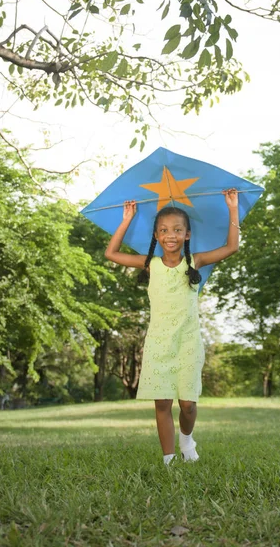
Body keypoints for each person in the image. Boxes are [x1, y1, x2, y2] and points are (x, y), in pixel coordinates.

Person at [104, 189, 240, 465]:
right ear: (156, 236)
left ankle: (187, 439)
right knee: (162, 403)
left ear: (187, 235)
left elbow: (231, 247)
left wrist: (233, 208)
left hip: (188, 342)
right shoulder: (150, 265)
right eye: (164, 230)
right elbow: (111, 253)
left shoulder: (195, 261)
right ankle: (169, 459)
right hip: (158, 344)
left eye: (177, 229)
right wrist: (127, 218)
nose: (171, 235)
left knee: (188, 405)